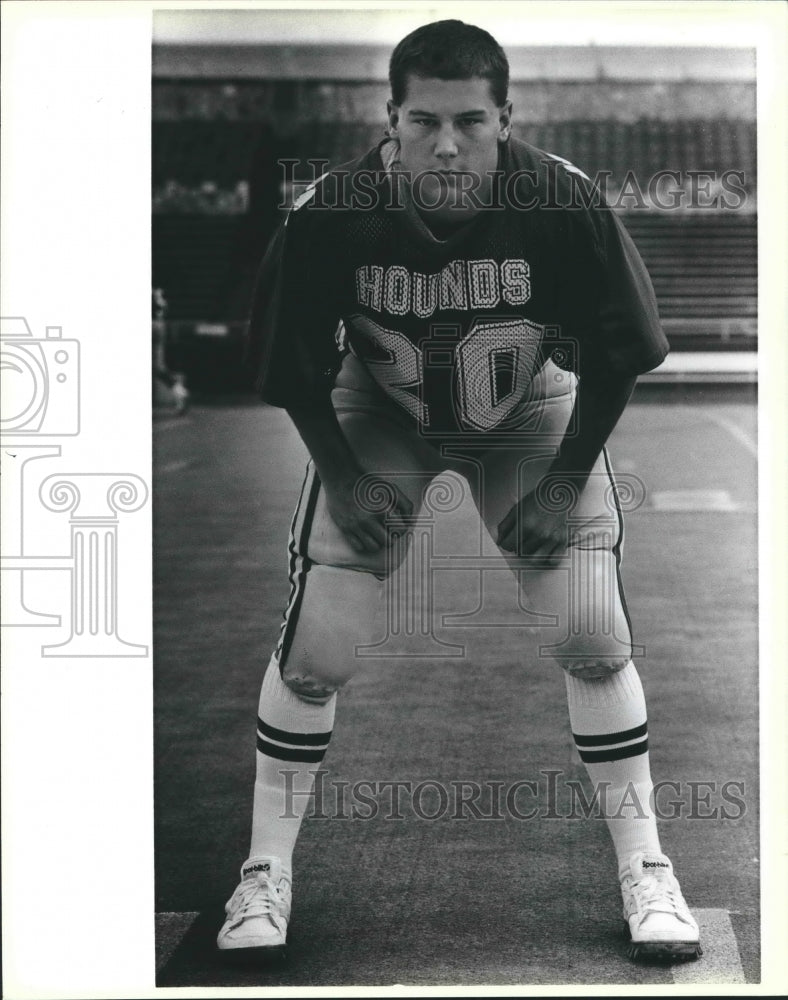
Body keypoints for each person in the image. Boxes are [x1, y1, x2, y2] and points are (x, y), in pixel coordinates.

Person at [217, 20, 701, 964]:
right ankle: (264, 869)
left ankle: (647, 864)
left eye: (470, 121)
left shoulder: (558, 198)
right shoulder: (335, 208)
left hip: (523, 405)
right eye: (424, 120)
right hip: (381, 408)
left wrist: (564, 486)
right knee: (320, 643)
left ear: (506, 119)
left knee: (592, 633)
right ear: (389, 119)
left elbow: (620, 357)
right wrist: (347, 477)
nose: (447, 143)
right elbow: (285, 366)